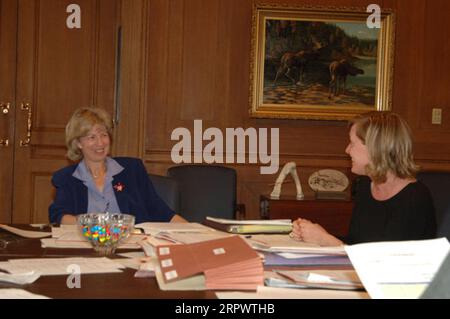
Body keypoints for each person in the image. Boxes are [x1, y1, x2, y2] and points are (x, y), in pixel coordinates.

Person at [291, 111, 436, 246]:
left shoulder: (415, 199)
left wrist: (325, 239)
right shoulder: (365, 185)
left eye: (352, 143)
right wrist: (314, 235)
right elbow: (357, 244)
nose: (347, 150)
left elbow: (385, 264)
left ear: (375, 148)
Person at [48, 107, 187, 224]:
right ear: (78, 143)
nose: (100, 143)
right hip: (87, 248)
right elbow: (59, 215)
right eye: (92, 137)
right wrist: (90, 224)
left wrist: (195, 231)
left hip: (132, 247)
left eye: (103, 135)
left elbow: (158, 209)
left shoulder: (132, 170)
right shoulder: (67, 178)